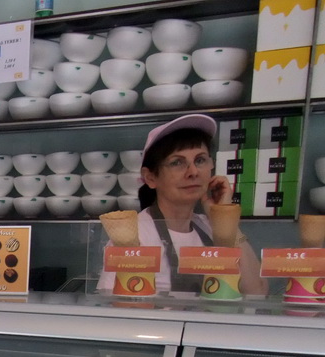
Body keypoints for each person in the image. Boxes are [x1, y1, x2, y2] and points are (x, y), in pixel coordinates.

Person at [97, 114, 268, 295]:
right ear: (151, 177)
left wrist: (223, 216)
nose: (193, 172)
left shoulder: (209, 226)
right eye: (177, 162)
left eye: (200, 160)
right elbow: (117, 310)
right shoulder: (136, 235)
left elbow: (257, 292)